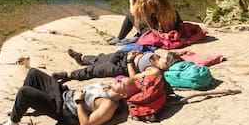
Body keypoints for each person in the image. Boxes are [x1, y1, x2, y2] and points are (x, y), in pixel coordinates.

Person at [0, 68, 139, 125]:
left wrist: (79, 102)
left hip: (63, 110)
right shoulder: (107, 86)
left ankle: (13, 122)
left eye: (121, 83)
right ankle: (19, 106)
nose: (118, 80)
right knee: (33, 73)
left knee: (25, 92)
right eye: (120, 79)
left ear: (124, 95)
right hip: (63, 94)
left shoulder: (108, 105)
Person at [109, 0, 183, 45]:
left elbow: (133, 13)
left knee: (129, 15)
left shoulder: (147, 2)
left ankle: (121, 37)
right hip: (171, 26)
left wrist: (131, 3)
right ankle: (137, 36)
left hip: (158, 30)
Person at [52, 48, 182, 82]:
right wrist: (137, 53)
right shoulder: (158, 58)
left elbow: (133, 77)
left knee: (96, 70)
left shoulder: (155, 71)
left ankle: (69, 75)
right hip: (125, 56)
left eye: (165, 59)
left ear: (167, 65)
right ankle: (81, 58)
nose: (163, 57)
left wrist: (130, 61)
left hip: (124, 66)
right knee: (101, 58)